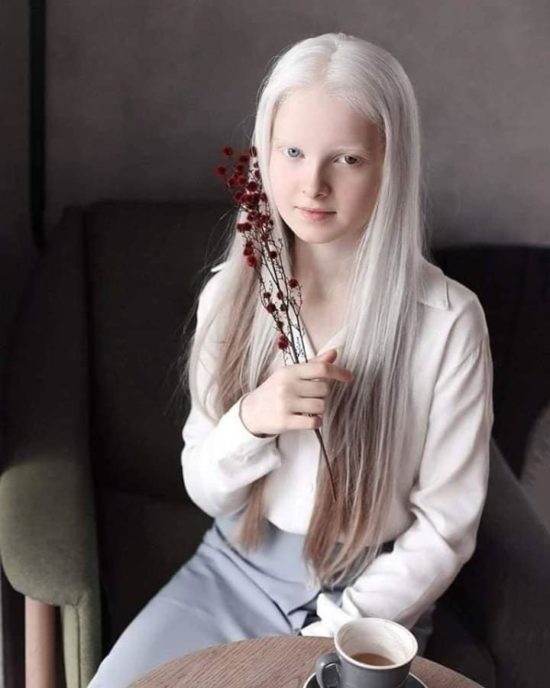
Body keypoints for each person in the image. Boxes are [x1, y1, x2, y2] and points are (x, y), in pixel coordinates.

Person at [88, 32, 494, 687]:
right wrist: (251, 421)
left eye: (348, 159)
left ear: (391, 164)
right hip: (237, 568)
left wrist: (336, 629)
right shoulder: (231, 295)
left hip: (378, 595)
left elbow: (445, 528)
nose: (313, 185)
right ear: (264, 152)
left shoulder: (449, 322)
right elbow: (206, 488)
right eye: (293, 152)